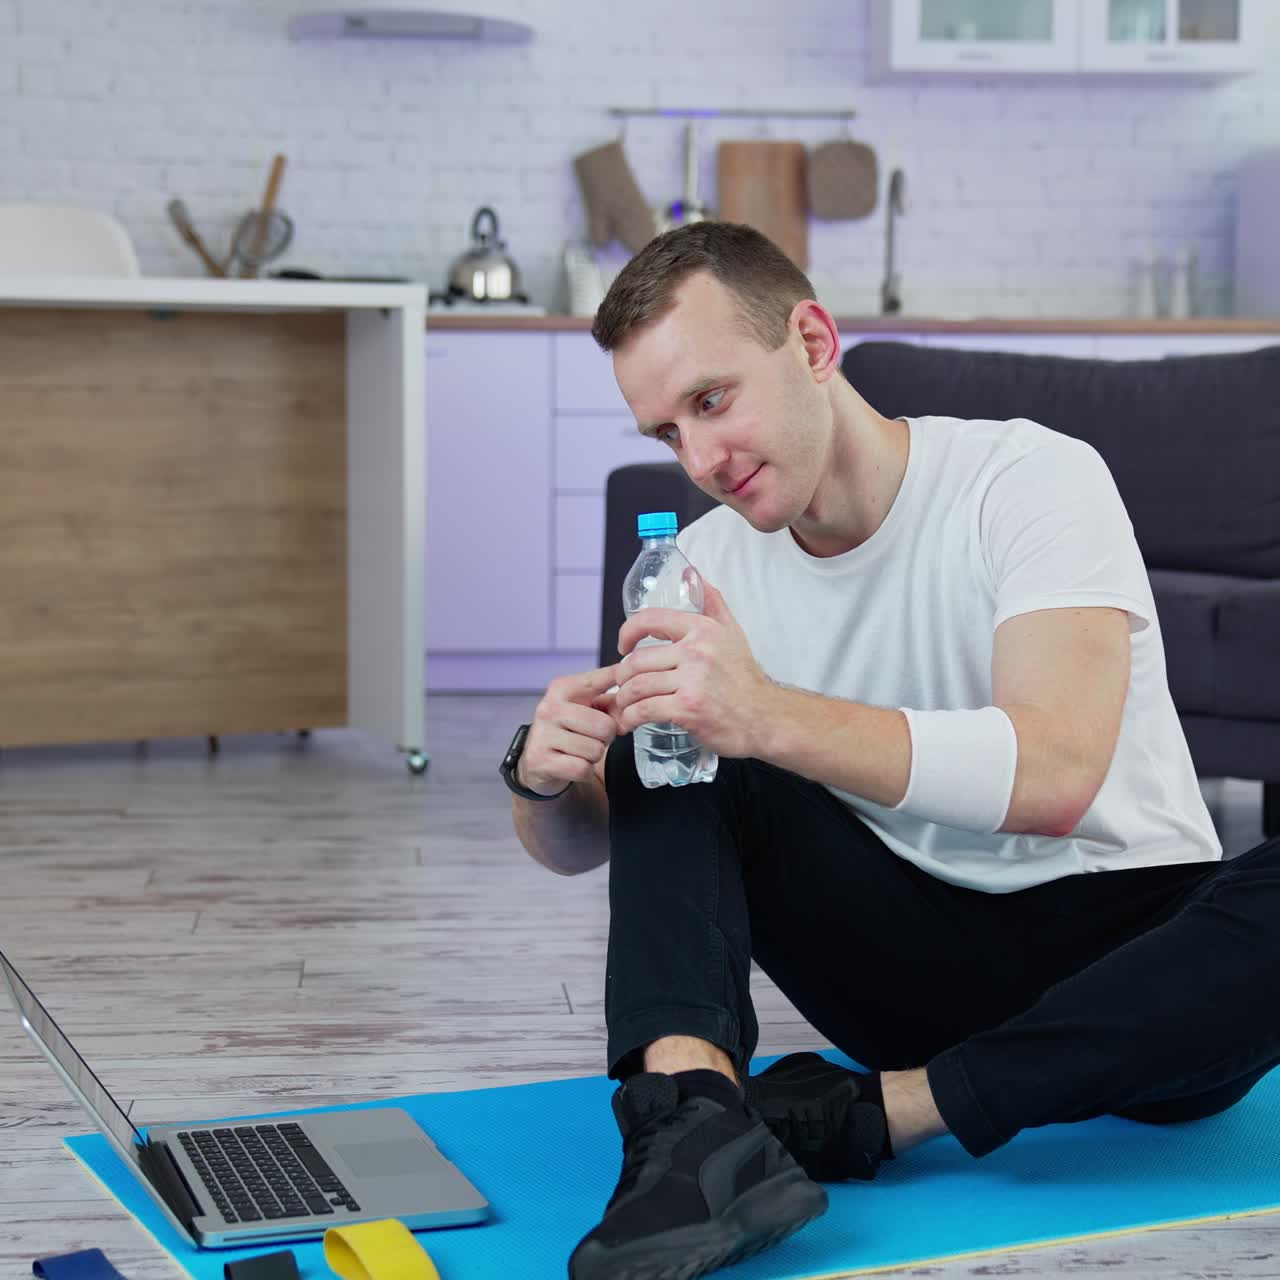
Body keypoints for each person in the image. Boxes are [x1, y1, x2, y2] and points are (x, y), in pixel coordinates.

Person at [500, 222, 1280, 1280]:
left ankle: (884, 1112)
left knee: (722, 715)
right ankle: (689, 1131)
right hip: (900, 966)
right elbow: (605, 827)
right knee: (673, 735)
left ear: (813, 342)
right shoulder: (697, 562)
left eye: (712, 400)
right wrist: (540, 779)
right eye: (666, 432)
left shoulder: (1028, 478)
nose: (700, 460)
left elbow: (1054, 776)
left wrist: (765, 712)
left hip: (1136, 972)